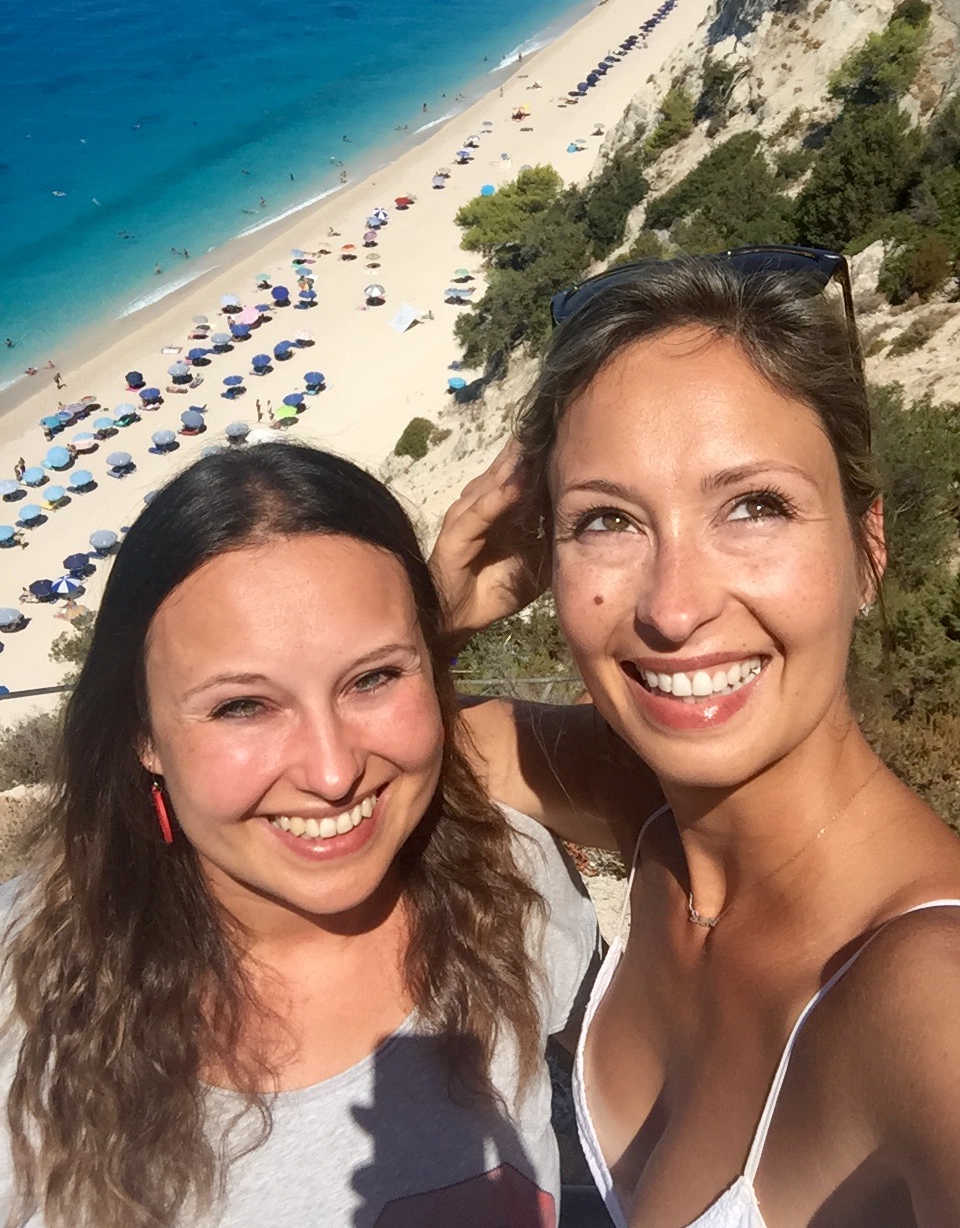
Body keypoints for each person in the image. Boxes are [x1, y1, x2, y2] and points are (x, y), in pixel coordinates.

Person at [431, 250, 960, 1225]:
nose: (673, 609)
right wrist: (436, 615)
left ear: (868, 549)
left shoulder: (933, 1000)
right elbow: (386, 757)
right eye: (607, 520)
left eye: (754, 506)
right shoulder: (651, 815)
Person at [0, 443, 597, 1228]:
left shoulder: (508, 876)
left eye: (373, 678)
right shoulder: (24, 1001)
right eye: (243, 706)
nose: (332, 772)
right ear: (143, 735)